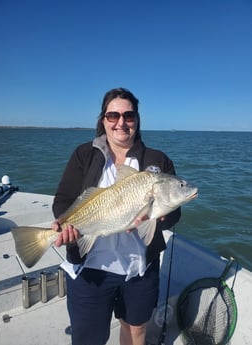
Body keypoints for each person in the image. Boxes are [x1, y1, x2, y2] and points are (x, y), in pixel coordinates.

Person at [52, 87, 181, 345]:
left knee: (136, 331)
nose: (121, 122)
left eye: (129, 115)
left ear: (137, 120)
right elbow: (64, 201)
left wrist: (160, 216)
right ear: (103, 120)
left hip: (140, 268)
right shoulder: (84, 154)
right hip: (91, 271)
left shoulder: (158, 160)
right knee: (89, 337)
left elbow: (174, 212)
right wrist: (63, 225)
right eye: (113, 115)